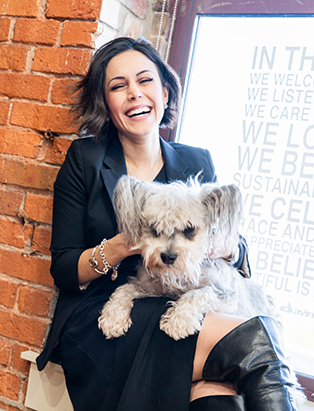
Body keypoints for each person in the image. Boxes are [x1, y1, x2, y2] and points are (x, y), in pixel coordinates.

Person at [36, 37, 300, 411]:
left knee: (220, 395)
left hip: (180, 304)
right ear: (105, 103)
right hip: (102, 317)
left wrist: (223, 246)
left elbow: (236, 252)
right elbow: (63, 269)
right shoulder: (86, 159)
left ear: (163, 90)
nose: (134, 94)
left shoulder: (196, 162)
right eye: (118, 86)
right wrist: (123, 244)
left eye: (144, 81)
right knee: (256, 339)